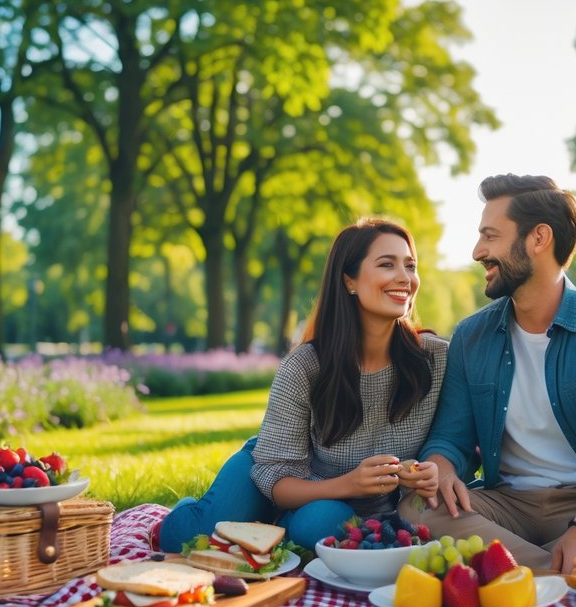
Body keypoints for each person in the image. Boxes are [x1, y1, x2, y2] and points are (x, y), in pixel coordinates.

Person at [398, 174, 576, 572]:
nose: (478, 251)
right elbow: (450, 438)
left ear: (538, 239)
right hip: (508, 503)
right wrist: (441, 470)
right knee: (417, 507)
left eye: (490, 236)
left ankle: (515, 569)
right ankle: (564, 573)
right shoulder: (471, 337)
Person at [157, 218, 447, 551]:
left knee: (324, 524)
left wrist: (429, 471)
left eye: (410, 266)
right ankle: (192, 511)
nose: (404, 278)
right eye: (387, 264)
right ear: (349, 281)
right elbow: (276, 476)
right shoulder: (306, 366)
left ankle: (274, 527)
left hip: (329, 507)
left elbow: (453, 442)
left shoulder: (435, 359)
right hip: (277, 469)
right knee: (184, 540)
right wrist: (350, 483)